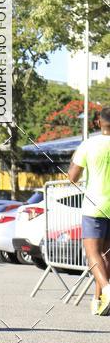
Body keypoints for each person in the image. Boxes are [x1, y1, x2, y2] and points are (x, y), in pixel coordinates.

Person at [69, 106, 110, 316]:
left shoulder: (90, 144)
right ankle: (99, 301)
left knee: (92, 253)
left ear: (98, 123)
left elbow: (72, 177)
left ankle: (107, 289)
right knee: (106, 255)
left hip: (95, 205)